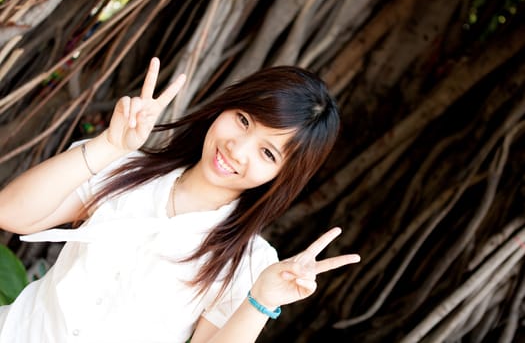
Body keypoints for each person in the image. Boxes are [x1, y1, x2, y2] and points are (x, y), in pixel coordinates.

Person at [0, 58, 360, 342]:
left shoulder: (251, 261)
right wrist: (108, 146)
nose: (237, 148)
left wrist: (262, 301)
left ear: (283, 176)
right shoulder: (123, 167)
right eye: (243, 120)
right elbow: (12, 213)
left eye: (267, 153)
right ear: (225, 107)